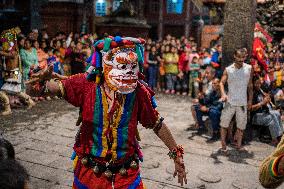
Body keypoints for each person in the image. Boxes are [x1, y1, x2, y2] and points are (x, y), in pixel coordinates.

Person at [26, 36, 187, 188]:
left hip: (126, 174)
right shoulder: (85, 84)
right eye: (122, 66)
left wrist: (176, 155)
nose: (129, 72)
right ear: (105, 65)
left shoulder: (138, 92)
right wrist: (37, 80)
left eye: (133, 66)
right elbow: (35, 91)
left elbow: (156, 123)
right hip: (90, 173)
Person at [219, 48, 253, 153]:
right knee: (224, 124)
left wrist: (250, 100)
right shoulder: (228, 69)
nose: (241, 59)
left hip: (242, 102)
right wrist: (223, 94)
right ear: (235, 56)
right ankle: (223, 145)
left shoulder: (249, 68)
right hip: (230, 101)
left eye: (243, 57)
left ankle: (238, 145)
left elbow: (250, 86)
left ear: (246, 56)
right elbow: (221, 83)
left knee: (241, 126)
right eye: (239, 57)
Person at [0, 27, 35, 115]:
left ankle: (8, 109)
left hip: (14, 72)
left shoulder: (14, 51)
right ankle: (30, 101)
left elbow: (6, 53)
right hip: (13, 72)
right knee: (16, 92)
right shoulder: (14, 50)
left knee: (2, 92)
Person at [251, 77, 283, 145]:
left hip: (263, 114)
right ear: (253, 84)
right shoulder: (252, 93)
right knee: (272, 117)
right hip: (255, 116)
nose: (258, 85)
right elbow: (250, 108)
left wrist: (268, 99)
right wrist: (262, 103)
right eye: (256, 83)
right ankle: (277, 138)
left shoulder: (260, 91)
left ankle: (279, 137)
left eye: (259, 83)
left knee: (277, 113)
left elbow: (266, 100)